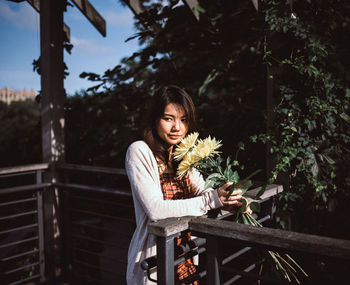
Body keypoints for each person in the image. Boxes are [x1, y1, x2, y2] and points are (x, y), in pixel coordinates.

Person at [125, 85, 250, 284]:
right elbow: (156, 210)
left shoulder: (182, 153)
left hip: (184, 255)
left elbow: (202, 190)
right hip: (154, 263)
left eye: (183, 120)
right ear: (154, 119)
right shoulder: (139, 151)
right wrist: (213, 199)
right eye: (168, 119)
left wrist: (230, 199)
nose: (178, 128)